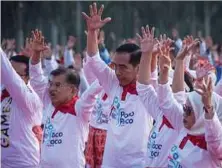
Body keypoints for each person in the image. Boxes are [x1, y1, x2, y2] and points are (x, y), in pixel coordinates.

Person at [82, 3, 153, 167]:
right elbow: (93, 59)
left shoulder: (148, 90)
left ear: (138, 68)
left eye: (123, 67)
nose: (117, 71)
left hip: (139, 163)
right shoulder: (113, 82)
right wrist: (92, 32)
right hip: (110, 162)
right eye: (115, 66)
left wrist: (149, 54)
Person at [29, 30, 102, 168]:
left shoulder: (80, 109)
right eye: (51, 84)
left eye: (58, 85)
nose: (51, 89)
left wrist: (107, 76)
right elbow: (36, 78)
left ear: (73, 90)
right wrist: (36, 54)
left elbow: (91, 93)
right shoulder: (49, 103)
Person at [1, 48, 43, 168]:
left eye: (16, 75)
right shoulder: (3, 92)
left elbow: (9, 76)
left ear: (27, 78)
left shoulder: (29, 98)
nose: (9, 79)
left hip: (24, 163)